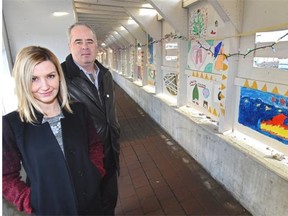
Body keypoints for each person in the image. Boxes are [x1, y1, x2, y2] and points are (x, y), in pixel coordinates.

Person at [2, 46, 105, 215]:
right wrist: (30, 200)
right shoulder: (12, 124)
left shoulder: (79, 111)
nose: (45, 86)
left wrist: (95, 172)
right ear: (22, 82)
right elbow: (5, 176)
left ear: (59, 76)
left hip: (91, 205)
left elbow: (94, 145)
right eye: (34, 79)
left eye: (50, 76)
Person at [61, 22, 120, 215]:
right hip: (83, 162)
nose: (85, 47)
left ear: (97, 45)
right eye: (78, 42)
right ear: (69, 46)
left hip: (110, 154)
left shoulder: (105, 74)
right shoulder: (60, 79)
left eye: (89, 41)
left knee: (109, 203)